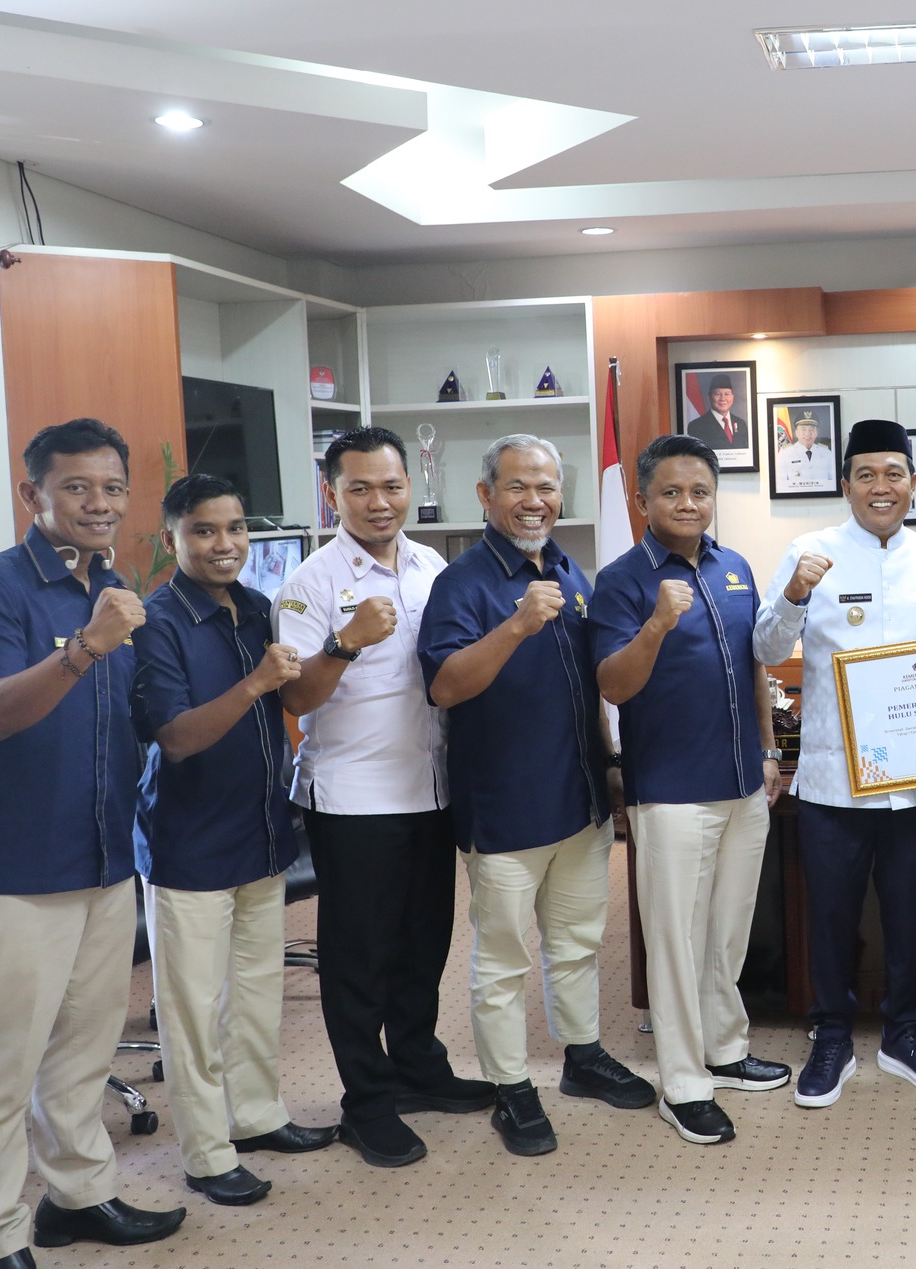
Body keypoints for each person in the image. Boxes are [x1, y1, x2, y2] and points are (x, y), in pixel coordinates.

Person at [0, 418, 185, 1267]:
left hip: (103, 860)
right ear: (32, 494)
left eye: (113, 487)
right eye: (77, 486)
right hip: (7, 869)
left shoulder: (110, 587)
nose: (100, 503)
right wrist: (86, 646)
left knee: (82, 1049)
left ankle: (78, 1196)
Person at [418, 433, 654, 1159]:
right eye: (518, 486)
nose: (534, 500)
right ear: (485, 495)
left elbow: (588, 688)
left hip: (578, 798)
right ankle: (512, 1087)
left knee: (577, 945)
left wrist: (610, 766)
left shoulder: (570, 570)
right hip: (506, 807)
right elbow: (444, 686)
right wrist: (517, 624)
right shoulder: (462, 584)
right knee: (502, 961)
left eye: (546, 486)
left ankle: (582, 1056)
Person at [274, 427, 489, 1169]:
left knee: (424, 944)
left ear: (410, 487)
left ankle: (418, 1067)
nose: (378, 502)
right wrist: (346, 641)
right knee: (359, 960)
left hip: (431, 787)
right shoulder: (310, 582)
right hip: (354, 798)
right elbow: (296, 697)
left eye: (391, 486)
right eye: (359, 488)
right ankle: (365, 1102)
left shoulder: (434, 567)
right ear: (331, 493)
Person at [131, 474, 336, 1208]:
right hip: (189, 842)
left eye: (236, 528)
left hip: (261, 830)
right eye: (204, 531)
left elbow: (295, 696)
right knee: (192, 1008)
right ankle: (206, 1151)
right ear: (173, 538)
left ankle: (255, 1116)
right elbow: (177, 737)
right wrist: (255, 683)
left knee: (254, 992)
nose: (225, 544)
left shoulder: (255, 607)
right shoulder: (155, 621)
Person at [753, 419, 916, 1107]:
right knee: (831, 916)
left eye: (894, 474)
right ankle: (832, 1035)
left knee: (910, 912)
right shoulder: (807, 551)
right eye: (866, 474)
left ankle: (906, 1033)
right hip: (832, 778)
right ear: (845, 483)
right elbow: (765, 648)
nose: (881, 486)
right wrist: (793, 593)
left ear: (912, 483)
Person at [593, 435, 791, 1145]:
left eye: (699, 491)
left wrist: (768, 749)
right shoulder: (620, 580)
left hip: (743, 781)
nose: (686, 503)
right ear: (643, 499)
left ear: (713, 497)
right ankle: (682, 1083)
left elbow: (755, 663)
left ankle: (725, 1048)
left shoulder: (734, 567)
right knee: (675, 942)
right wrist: (656, 623)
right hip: (672, 791)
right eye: (671, 492)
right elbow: (613, 684)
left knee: (727, 931)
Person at [685, 375, 749, 452]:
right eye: (717, 394)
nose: (723, 399)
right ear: (709, 397)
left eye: (727, 394)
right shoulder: (696, 426)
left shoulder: (741, 424)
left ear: (732, 397)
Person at [777, 413, 836, 491]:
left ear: (816, 433)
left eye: (812, 429)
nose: (808, 434)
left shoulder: (827, 453)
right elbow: (781, 486)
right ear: (796, 432)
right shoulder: (785, 454)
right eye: (803, 429)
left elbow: (832, 484)